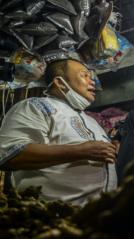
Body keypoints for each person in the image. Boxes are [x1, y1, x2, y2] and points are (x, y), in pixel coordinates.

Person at [0, 59, 117, 205]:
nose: (92, 81)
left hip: (95, 217)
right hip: (51, 216)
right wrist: (80, 151)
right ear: (61, 83)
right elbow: (10, 154)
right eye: (85, 75)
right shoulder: (35, 107)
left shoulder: (92, 121)